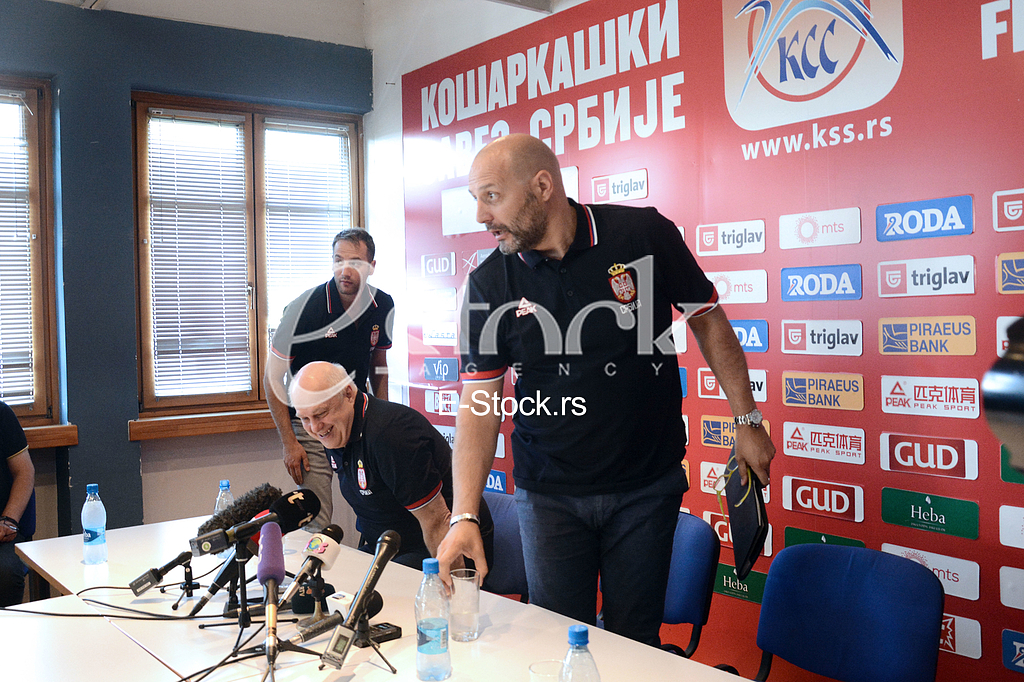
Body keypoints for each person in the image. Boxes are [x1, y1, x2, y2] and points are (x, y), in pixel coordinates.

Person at [436, 133, 775, 646]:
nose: (481, 216)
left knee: (634, 645)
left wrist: (746, 420)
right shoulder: (488, 284)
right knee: (557, 642)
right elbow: (479, 404)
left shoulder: (642, 234)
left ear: (542, 186)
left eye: (491, 196)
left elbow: (707, 319)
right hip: (548, 498)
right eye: (475, 200)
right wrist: (464, 513)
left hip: (645, 490)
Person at [289, 361, 493, 570]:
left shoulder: (391, 434)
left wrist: (450, 593)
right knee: (326, 576)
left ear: (348, 394)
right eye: (305, 418)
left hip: (442, 547)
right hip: (388, 546)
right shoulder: (336, 430)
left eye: (320, 413)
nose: (314, 427)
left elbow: (436, 521)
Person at [265, 228, 394, 531]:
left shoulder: (383, 305)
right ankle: (317, 576)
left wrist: (383, 417)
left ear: (372, 266)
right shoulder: (304, 308)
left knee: (376, 503)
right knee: (316, 515)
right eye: (338, 261)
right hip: (310, 422)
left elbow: (379, 364)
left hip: (356, 415)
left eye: (355, 262)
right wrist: (289, 442)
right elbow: (272, 377)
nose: (345, 270)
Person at [1, 400, 36, 607]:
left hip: (2, 531)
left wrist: (8, 520)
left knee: (5, 573)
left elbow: (24, 471)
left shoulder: (2, 414)